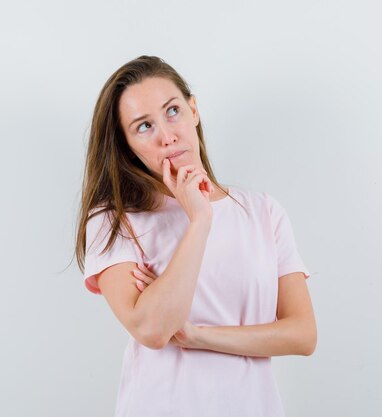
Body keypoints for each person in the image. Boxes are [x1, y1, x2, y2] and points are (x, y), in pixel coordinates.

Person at [75, 55, 317, 417]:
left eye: (172, 111)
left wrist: (198, 335)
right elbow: (152, 329)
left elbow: (302, 334)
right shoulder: (115, 220)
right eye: (144, 126)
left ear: (193, 110)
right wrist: (200, 219)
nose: (166, 135)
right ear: (127, 145)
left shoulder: (263, 212)